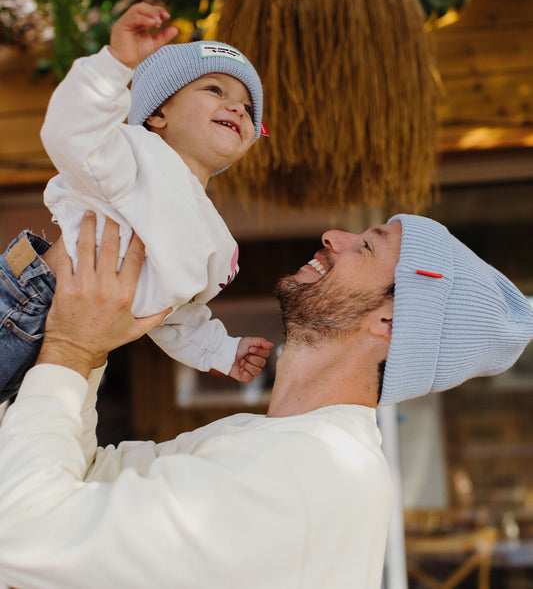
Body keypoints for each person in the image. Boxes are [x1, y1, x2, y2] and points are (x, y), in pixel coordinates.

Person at [0, 211, 531, 589]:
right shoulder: (275, 446)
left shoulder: (311, 473)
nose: (332, 236)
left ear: (390, 322)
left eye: (366, 246)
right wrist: (90, 350)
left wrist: (73, 344)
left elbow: (21, 531)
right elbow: (85, 477)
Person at [0, 2, 272, 404]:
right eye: (215, 89)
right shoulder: (131, 153)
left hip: (71, 344)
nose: (237, 107)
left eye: (248, 110)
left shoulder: (216, 237)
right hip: (26, 303)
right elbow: (73, 133)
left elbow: (174, 312)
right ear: (158, 113)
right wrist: (114, 66)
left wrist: (221, 350)